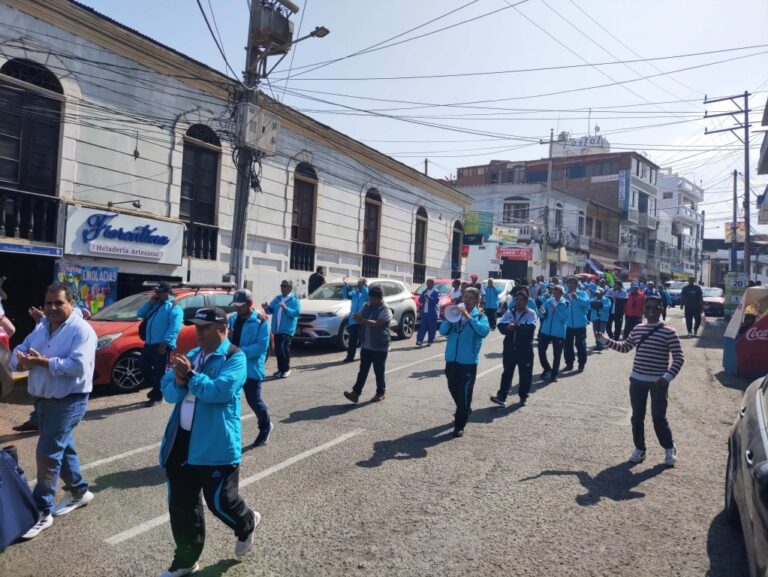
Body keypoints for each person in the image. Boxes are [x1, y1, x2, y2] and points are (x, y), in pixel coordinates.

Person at [158, 307, 258, 577]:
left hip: (215, 443)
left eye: (205, 327)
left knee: (221, 501)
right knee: (181, 506)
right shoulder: (192, 355)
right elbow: (167, 392)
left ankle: (246, 521)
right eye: (196, 327)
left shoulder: (234, 357)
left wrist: (189, 376)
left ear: (222, 329)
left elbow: (219, 392)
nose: (198, 332)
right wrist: (179, 381)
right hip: (181, 441)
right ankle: (186, 561)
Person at [9, 283, 97, 539]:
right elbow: (19, 350)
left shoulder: (82, 331)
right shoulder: (41, 328)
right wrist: (22, 360)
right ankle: (80, 491)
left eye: (59, 303)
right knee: (62, 446)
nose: (53, 308)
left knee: (48, 452)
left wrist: (42, 362)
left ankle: (41, 510)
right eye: (49, 303)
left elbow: (78, 366)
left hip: (69, 401)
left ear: (71, 303)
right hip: (43, 400)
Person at [596, 296, 684, 467]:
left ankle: (669, 448)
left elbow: (679, 358)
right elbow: (625, 347)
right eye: (648, 307)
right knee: (637, 417)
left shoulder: (669, 331)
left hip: (658, 383)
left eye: (655, 308)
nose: (651, 311)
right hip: (637, 381)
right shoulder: (638, 329)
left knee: (659, 418)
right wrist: (604, 340)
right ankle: (640, 449)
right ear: (643, 309)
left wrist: (667, 377)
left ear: (661, 310)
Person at [439, 287, 489, 437]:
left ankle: (459, 424)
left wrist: (468, 317)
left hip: (468, 362)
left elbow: (484, 331)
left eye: (470, 298)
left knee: (463, 392)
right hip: (452, 360)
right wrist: (449, 318)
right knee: (453, 388)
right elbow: (442, 331)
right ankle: (464, 408)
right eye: (464, 297)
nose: (465, 300)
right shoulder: (454, 313)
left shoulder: (480, 316)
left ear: (477, 300)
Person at [227, 289, 272, 448]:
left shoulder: (261, 321)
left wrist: (239, 352)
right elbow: (226, 341)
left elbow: (261, 347)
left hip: (251, 369)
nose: (237, 308)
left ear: (249, 304)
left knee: (254, 401)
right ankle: (228, 434)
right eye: (235, 305)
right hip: (233, 368)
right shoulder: (232, 320)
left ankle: (265, 426)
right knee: (230, 401)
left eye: (240, 305)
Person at [343, 286, 392, 403]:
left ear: (379, 298)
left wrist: (362, 319)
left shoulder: (386, 309)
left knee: (378, 370)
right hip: (366, 344)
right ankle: (355, 393)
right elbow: (359, 317)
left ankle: (381, 392)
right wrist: (358, 319)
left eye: (374, 299)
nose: (371, 301)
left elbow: (377, 324)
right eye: (370, 298)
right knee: (363, 370)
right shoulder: (366, 306)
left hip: (380, 346)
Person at [137, 282, 183, 407]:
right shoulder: (155, 305)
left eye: (159, 292)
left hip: (162, 345)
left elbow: (175, 327)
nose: (157, 294)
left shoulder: (174, 307)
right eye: (156, 292)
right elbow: (140, 314)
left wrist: (166, 342)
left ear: (167, 293)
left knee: (159, 371)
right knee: (142, 366)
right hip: (149, 343)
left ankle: (157, 396)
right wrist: (149, 302)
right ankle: (158, 388)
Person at [490, 292, 537, 408]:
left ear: (526, 302)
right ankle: (501, 396)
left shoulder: (531, 313)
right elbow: (501, 326)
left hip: (525, 351)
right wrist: (508, 327)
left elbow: (530, 328)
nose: (518, 302)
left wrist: (515, 326)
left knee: (525, 375)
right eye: (517, 299)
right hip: (509, 350)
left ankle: (523, 396)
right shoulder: (509, 312)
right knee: (506, 373)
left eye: (521, 300)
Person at [262, 280, 301, 378]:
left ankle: (286, 369)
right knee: (278, 350)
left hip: (287, 330)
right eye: (281, 286)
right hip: (277, 329)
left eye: (284, 286)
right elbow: (270, 310)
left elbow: (296, 313)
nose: (282, 288)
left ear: (290, 288)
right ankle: (280, 370)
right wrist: (266, 307)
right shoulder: (277, 298)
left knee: (284, 349)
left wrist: (286, 309)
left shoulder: (294, 300)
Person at [537, 285, 569, 382]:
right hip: (545, 330)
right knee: (541, 351)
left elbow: (564, 319)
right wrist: (542, 312)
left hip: (558, 333)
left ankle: (554, 374)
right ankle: (547, 368)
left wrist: (556, 310)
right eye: (554, 292)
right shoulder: (549, 301)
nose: (555, 294)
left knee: (557, 354)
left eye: (557, 292)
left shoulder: (566, 304)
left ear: (562, 294)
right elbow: (541, 312)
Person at [563, 277, 590, 372]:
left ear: (576, 285)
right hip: (568, 325)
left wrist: (578, 298)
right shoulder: (565, 295)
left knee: (580, 345)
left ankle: (581, 364)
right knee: (567, 346)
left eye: (573, 283)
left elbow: (588, 304)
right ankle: (569, 364)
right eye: (569, 283)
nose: (570, 285)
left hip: (580, 325)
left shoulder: (582, 293)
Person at [342, 278, 369, 362]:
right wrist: (345, 286)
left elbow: (366, 294)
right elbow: (345, 296)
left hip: (362, 320)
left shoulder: (367, 293)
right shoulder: (355, 293)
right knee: (352, 340)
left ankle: (364, 356)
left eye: (360, 285)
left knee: (363, 340)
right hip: (353, 320)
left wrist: (364, 286)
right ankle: (350, 357)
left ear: (364, 286)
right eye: (358, 285)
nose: (358, 286)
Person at [416, 278, 440, 346]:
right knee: (422, 327)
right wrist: (424, 297)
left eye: (429, 283)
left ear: (432, 284)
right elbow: (420, 300)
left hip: (432, 313)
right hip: (424, 313)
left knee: (432, 328)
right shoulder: (424, 291)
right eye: (427, 283)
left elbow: (436, 301)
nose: (428, 285)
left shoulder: (436, 292)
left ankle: (430, 341)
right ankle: (419, 340)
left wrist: (429, 297)